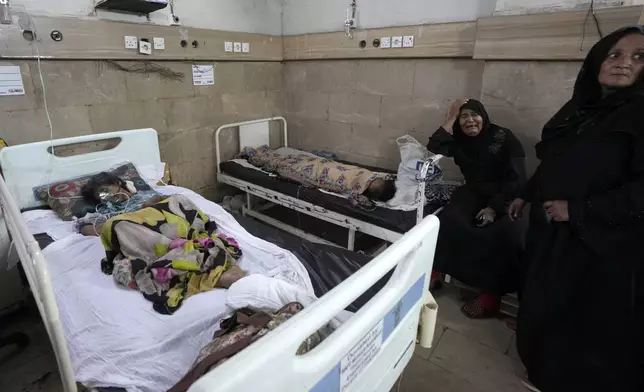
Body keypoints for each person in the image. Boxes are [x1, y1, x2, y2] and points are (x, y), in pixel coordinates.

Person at [509, 26, 644, 392]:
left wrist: (579, 209)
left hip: (600, 238)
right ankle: (540, 368)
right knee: (543, 301)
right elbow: (555, 161)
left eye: (637, 57)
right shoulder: (579, 109)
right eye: (613, 54)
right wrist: (526, 193)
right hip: (552, 232)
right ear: (597, 60)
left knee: (582, 318)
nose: (623, 64)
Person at [427, 99, 527, 318]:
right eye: (464, 116)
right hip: (473, 191)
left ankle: (490, 297)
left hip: (506, 193)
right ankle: (434, 272)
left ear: (484, 116)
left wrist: (493, 208)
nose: (470, 120)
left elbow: (518, 178)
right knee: (449, 221)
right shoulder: (460, 141)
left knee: (508, 234)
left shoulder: (503, 137)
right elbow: (434, 145)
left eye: (475, 115)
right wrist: (451, 116)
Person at [239, 146, 397, 205]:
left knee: (290, 163)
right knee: (292, 163)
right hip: (321, 168)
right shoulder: (364, 181)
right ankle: (261, 155)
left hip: (319, 169)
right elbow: (361, 199)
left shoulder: (364, 181)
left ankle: (264, 154)